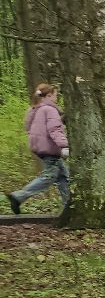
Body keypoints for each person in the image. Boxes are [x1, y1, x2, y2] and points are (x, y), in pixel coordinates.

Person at [9, 83, 71, 214]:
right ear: (48, 95)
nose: (56, 99)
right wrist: (64, 145)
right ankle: (18, 196)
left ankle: (68, 206)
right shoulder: (50, 110)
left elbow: (30, 128)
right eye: (55, 96)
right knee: (48, 176)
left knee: (63, 176)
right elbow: (54, 129)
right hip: (50, 149)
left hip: (40, 148)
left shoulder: (34, 109)